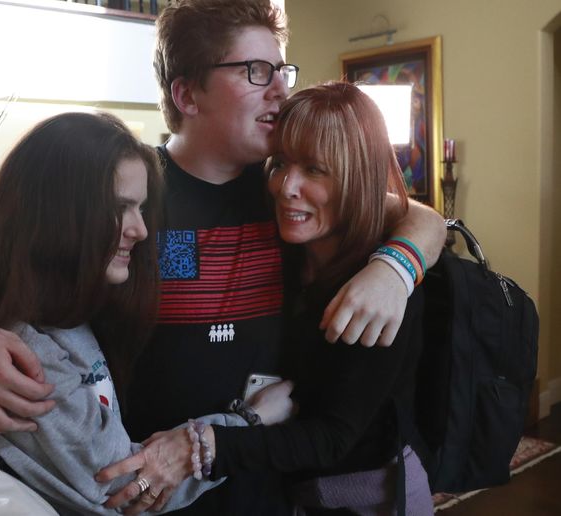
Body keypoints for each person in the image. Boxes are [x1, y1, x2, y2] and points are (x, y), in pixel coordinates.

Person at [0, 0, 447, 513]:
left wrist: (395, 268)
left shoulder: (287, 189)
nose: (280, 91)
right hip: (143, 486)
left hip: (260, 480)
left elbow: (418, 216)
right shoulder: (130, 185)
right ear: (188, 96)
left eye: (283, 70)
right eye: (257, 71)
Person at [0, 112, 273, 515]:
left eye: (141, 209)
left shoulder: (48, 297)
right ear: (56, 212)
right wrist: (250, 421)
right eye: (120, 208)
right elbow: (122, 489)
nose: (141, 230)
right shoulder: (18, 351)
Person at [98, 81, 434, 515]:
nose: (285, 186)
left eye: (314, 169)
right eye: (280, 164)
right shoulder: (274, 239)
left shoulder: (375, 286)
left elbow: (331, 437)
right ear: (187, 95)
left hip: (363, 498)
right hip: (252, 489)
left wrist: (396, 267)